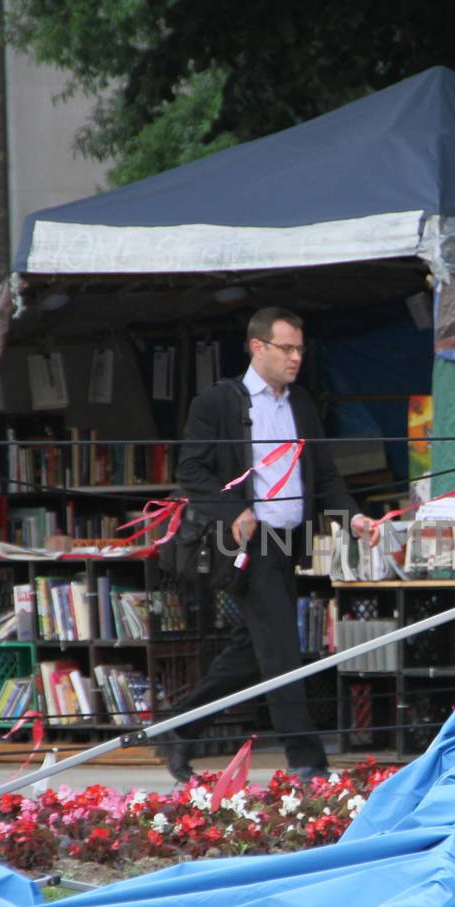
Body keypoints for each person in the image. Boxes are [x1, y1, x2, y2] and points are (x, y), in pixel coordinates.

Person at [163, 307, 376, 783]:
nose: (296, 357)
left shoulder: (300, 403)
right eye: (286, 348)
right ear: (257, 347)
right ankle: (307, 763)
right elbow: (191, 472)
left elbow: (323, 475)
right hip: (247, 546)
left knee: (251, 652)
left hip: (289, 545)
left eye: (300, 349)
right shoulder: (218, 403)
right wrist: (235, 508)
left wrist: (355, 517)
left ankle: (177, 730)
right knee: (281, 653)